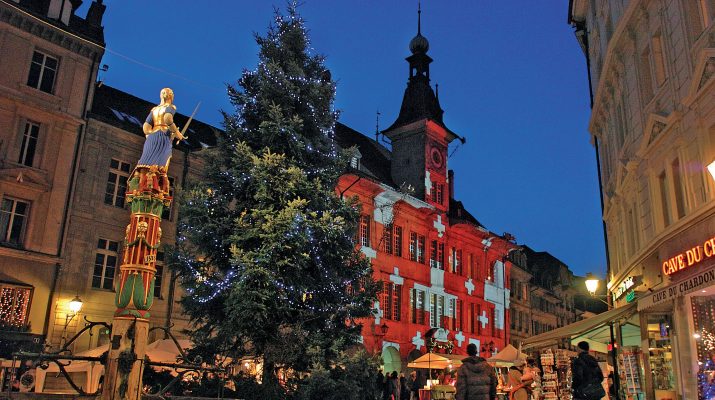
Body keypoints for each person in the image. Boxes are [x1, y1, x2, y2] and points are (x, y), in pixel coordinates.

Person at [138, 88, 186, 170]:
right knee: (161, 162)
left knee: (146, 162)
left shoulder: (154, 109)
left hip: (151, 137)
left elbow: (146, 127)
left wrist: (150, 135)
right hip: (163, 136)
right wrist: (177, 133)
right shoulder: (171, 107)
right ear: (170, 96)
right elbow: (167, 119)